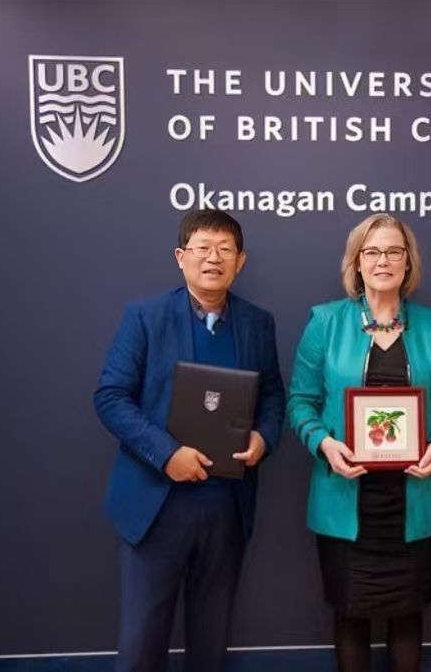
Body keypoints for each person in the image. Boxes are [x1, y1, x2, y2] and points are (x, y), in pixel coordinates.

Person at [94, 208, 285, 672]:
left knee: (211, 644)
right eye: (203, 248)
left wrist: (263, 438)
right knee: (142, 644)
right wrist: (167, 455)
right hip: (157, 505)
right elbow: (111, 397)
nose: (213, 258)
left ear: (240, 261)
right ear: (181, 257)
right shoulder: (145, 317)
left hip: (226, 508)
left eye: (225, 249)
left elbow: (273, 396)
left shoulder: (258, 323)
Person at [287, 213, 431, 672]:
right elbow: (301, 402)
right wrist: (325, 445)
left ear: (408, 262)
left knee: (408, 614)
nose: (383, 260)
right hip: (344, 499)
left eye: (393, 251)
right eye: (372, 252)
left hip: (414, 501)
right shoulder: (325, 322)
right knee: (350, 614)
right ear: (357, 262)